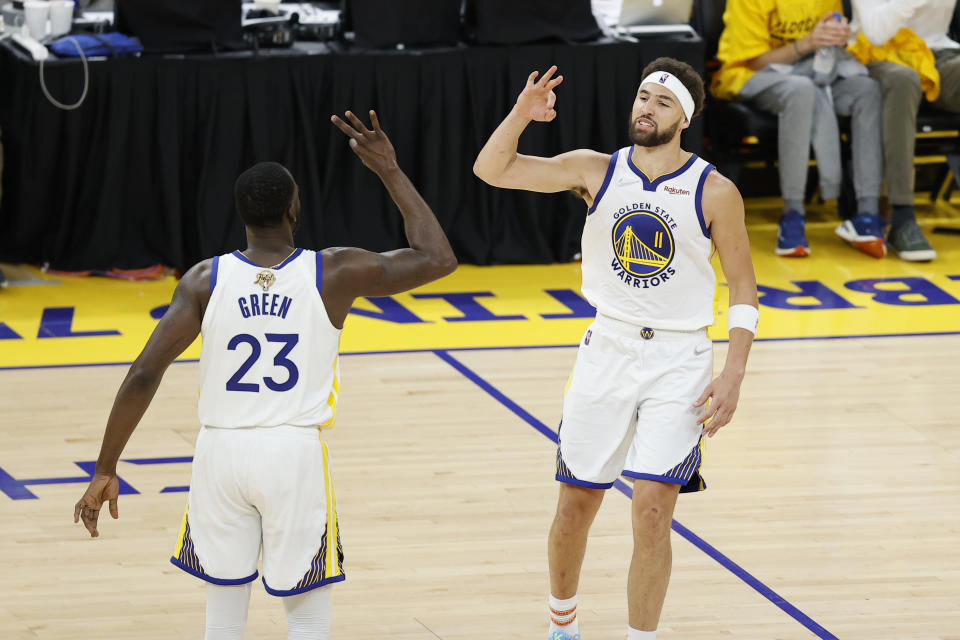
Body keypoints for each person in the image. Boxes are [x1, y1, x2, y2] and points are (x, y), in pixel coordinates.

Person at [72, 110, 457, 639]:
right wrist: (388, 169)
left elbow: (143, 373)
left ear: (241, 216)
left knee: (224, 617)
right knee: (306, 612)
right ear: (295, 207)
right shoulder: (335, 271)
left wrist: (104, 468)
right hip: (292, 455)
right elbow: (438, 258)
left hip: (220, 454)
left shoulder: (205, 279)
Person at [473, 58, 759, 640]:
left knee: (653, 512)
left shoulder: (716, 190)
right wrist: (520, 116)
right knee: (575, 507)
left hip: (680, 360)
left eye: (660, 101)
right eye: (642, 97)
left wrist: (733, 374)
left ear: (684, 117)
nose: (645, 108)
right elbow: (491, 169)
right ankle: (562, 626)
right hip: (607, 348)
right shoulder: (595, 170)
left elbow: (744, 288)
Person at [712, 0, 886, 258]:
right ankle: (792, 215)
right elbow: (753, 63)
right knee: (800, 90)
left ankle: (867, 215)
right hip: (753, 75)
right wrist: (807, 43)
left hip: (814, 71)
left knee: (867, 90)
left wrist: (839, 37)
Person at [847, 0, 955, 261]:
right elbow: (876, 32)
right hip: (876, 54)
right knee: (904, 81)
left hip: (936, 53)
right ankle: (902, 216)